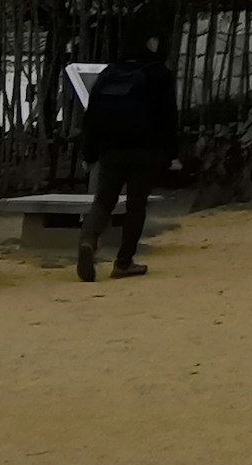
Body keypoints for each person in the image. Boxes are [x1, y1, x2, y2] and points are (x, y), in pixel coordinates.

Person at [77, 36, 181, 283]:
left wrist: (89, 154)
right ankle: (123, 262)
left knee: (103, 201)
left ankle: (88, 241)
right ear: (152, 44)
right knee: (136, 204)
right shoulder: (159, 74)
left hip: (110, 149)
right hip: (146, 150)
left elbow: (91, 117)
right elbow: (168, 117)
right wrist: (172, 154)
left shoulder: (109, 73)